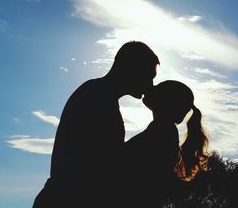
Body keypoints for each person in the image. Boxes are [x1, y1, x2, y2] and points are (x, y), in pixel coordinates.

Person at [33, 41, 160, 208]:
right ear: (131, 68)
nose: (150, 85)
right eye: (148, 76)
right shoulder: (97, 97)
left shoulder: (98, 93)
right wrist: (158, 130)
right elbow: (106, 162)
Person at [122, 80, 209, 208]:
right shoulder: (164, 131)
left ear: (165, 102)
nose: (151, 87)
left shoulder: (162, 133)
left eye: (158, 88)